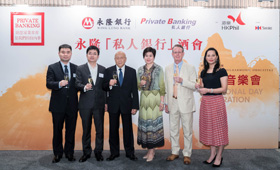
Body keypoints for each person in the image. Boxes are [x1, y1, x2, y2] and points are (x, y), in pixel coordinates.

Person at [103, 51, 139, 161]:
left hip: (127, 105)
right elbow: (103, 87)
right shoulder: (108, 70)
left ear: (125, 59)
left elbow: (134, 90)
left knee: (128, 130)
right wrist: (109, 84)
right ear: (114, 59)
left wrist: (135, 106)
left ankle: (130, 152)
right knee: (113, 130)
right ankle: (114, 153)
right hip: (113, 105)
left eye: (121, 58)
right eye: (117, 58)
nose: (119, 60)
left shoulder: (132, 71)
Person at [196, 47, 228, 167]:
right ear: (205, 58)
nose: (210, 57)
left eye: (213, 55)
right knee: (209, 129)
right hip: (206, 103)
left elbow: (224, 89)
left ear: (217, 57)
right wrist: (198, 86)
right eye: (208, 55)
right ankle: (212, 154)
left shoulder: (221, 71)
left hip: (217, 102)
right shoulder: (203, 72)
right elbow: (202, 88)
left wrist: (208, 90)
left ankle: (219, 156)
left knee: (219, 130)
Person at [165, 44, 196, 165]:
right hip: (172, 102)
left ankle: (187, 154)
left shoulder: (190, 67)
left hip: (186, 103)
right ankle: (175, 151)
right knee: (173, 129)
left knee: (187, 130)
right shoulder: (167, 68)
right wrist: (166, 103)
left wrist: (183, 81)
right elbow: (167, 87)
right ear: (172, 54)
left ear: (183, 54)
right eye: (175, 52)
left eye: (179, 52)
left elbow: (194, 85)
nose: (177, 54)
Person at [46, 44, 78, 163]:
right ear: (59, 53)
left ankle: (69, 153)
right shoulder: (52, 67)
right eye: (63, 52)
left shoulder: (76, 68)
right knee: (57, 130)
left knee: (71, 130)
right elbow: (48, 84)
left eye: (68, 52)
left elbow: (78, 85)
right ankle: (58, 154)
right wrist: (59, 84)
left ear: (71, 54)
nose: (65, 54)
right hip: (57, 105)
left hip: (72, 105)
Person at [75, 45, 106, 162]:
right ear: (87, 55)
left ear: (98, 56)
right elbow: (76, 84)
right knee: (86, 130)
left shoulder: (103, 69)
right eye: (90, 53)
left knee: (99, 130)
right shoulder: (80, 68)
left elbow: (104, 88)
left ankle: (98, 152)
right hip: (85, 105)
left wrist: (106, 103)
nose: (92, 55)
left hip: (99, 105)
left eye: (94, 53)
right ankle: (86, 152)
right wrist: (84, 87)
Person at [137, 47, 165, 162]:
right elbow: (137, 87)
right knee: (146, 125)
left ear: (154, 57)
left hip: (155, 99)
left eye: (150, 55)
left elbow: (162, 86)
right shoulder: (139, 70)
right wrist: (140, 84)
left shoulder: (159, 69)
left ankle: (152, 151)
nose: (148, 58)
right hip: (144, 99)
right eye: (146, 55)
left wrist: (162, 101)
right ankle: (149, 150)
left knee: (153, 126)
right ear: (144, 57)